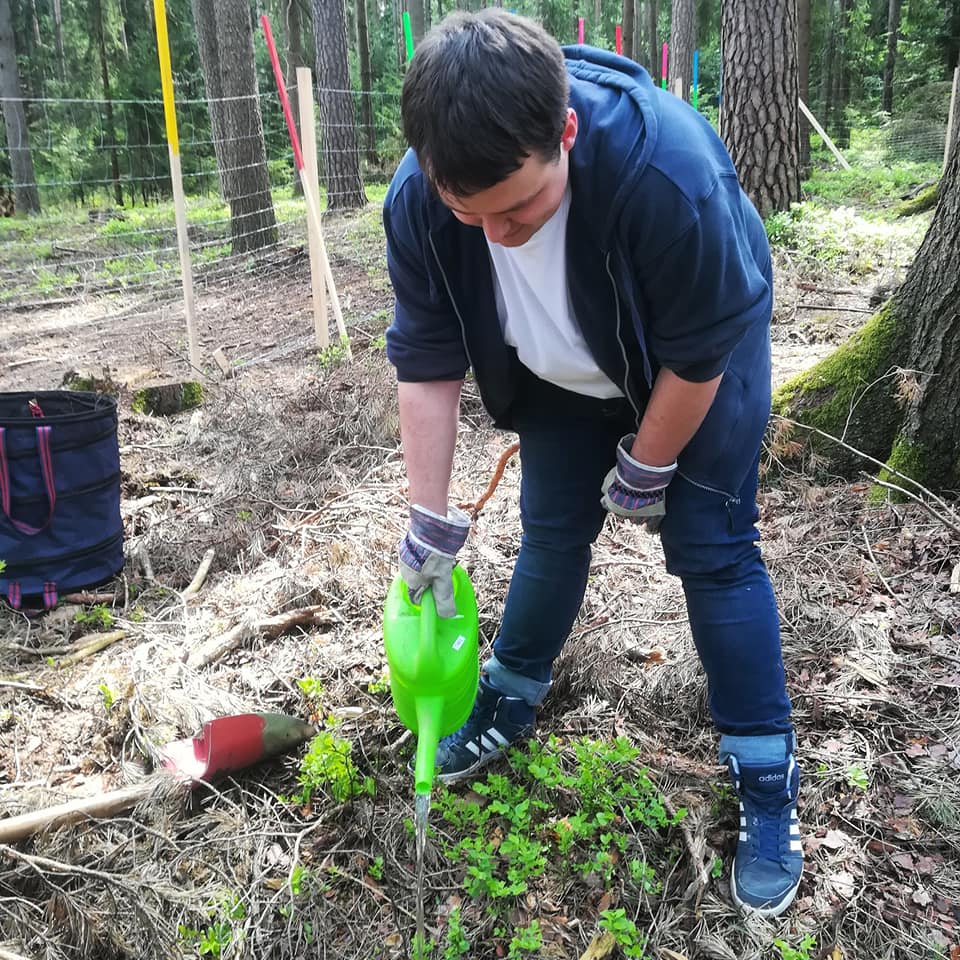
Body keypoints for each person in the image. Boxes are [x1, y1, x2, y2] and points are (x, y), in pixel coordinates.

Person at [383, 10, 801, 917]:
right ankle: (508, 696)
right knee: (553, 528)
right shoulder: (422, 193)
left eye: (519, 206)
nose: (495, 233)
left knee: (713, 547)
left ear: (565, 131)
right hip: (561, 374)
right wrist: (428, 519)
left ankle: (766, 775)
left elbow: (698, 354)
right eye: (468, 211)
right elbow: (425, 357)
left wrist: (650, 465)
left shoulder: (667, 171)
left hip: (692, 363)